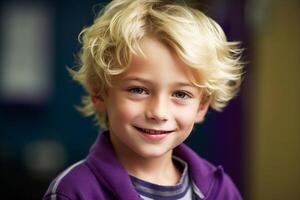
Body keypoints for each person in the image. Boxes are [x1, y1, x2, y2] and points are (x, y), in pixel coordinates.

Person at [43, 0, 244, 199]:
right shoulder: (72, 192)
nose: (158, 112)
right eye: (138, 90)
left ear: (201, 106)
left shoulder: (220, 190)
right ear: (99, 93)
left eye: (181, 94)